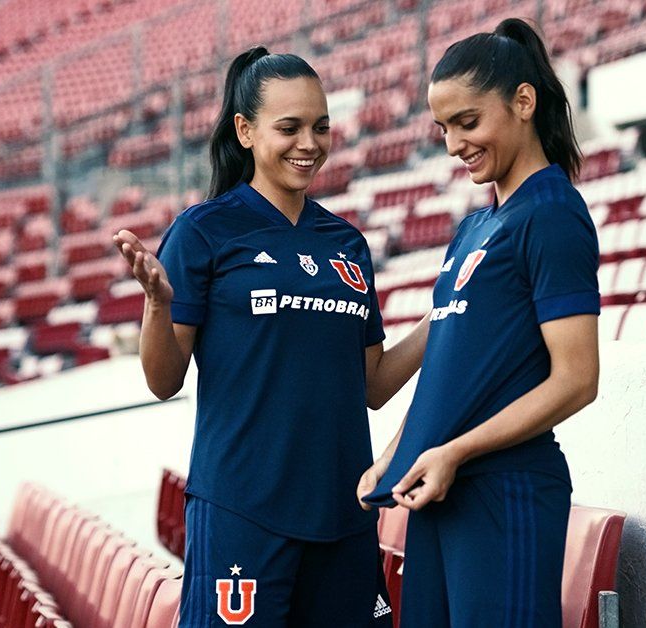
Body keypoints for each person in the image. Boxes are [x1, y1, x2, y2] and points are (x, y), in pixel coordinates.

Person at [112, 47, 427, 627]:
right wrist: (158, 305)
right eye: (289, 128)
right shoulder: (203, 232)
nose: (309, 143)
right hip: (243, 513)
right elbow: (163, 380)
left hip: (345, 513)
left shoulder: (347, 243)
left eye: (320, 127)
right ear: (245, 130)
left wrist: (444, 317)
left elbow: (373, 385)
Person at [358, 18, 601, 627]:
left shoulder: (552, 215)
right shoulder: (474, 227)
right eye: (443, 128)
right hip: (445, 493)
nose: (453, 145)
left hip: (505, 492)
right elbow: (450, 369)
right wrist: (395, 455)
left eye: (467, 122)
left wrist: (455, 451)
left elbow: (577, 380)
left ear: (524, 102)